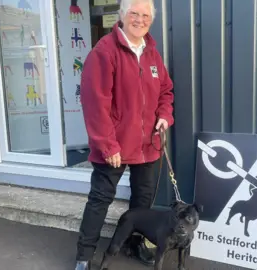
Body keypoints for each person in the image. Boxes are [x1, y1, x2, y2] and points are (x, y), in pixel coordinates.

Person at [74, 0, 174, 269]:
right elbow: (95, 103)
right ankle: (84, 256)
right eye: (134, 13)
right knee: (100, 200)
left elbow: (166, 91)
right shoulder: (104, 52)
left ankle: (132, 244)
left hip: (148, 145)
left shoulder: (152, 53)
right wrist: (108, 145)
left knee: (142, 204)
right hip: (114, 145)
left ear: (151, 21)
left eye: (145, 15)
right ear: (121, 15)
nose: (140, 20)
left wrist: (164, 116)